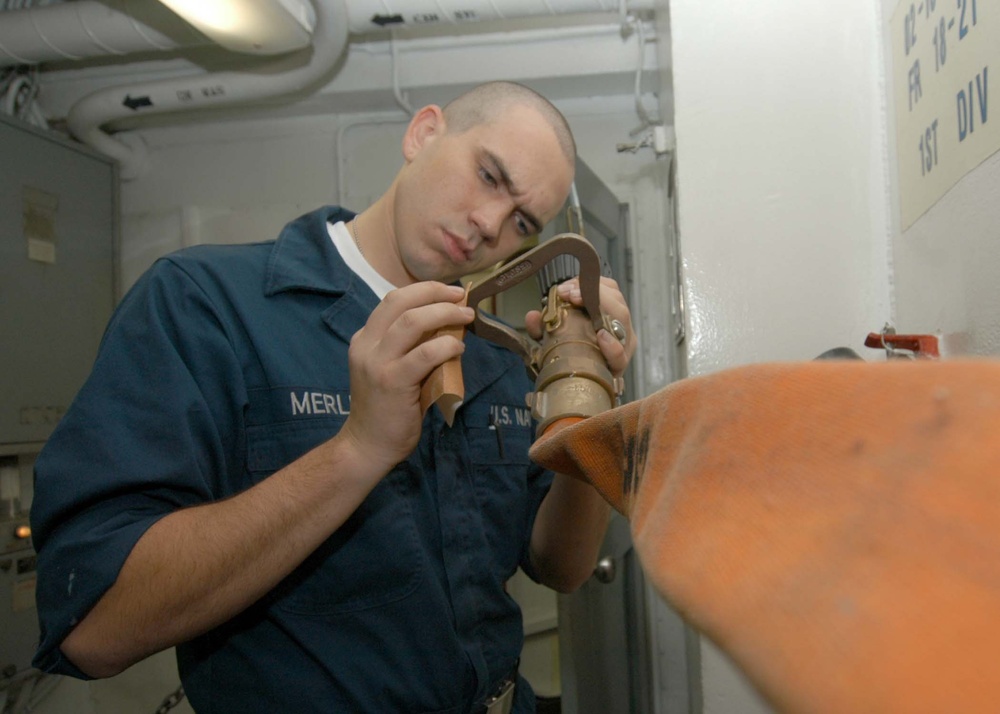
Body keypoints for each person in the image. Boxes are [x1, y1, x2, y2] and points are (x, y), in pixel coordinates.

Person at [30, 81, 637, 713]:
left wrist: (593, 401)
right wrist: (357, 450)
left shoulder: (498, 354)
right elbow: (94, 628)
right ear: (423, 133)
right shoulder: (207, 304)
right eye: (487, 175)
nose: (487, 225)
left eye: (521, 222)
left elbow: (561, 567)